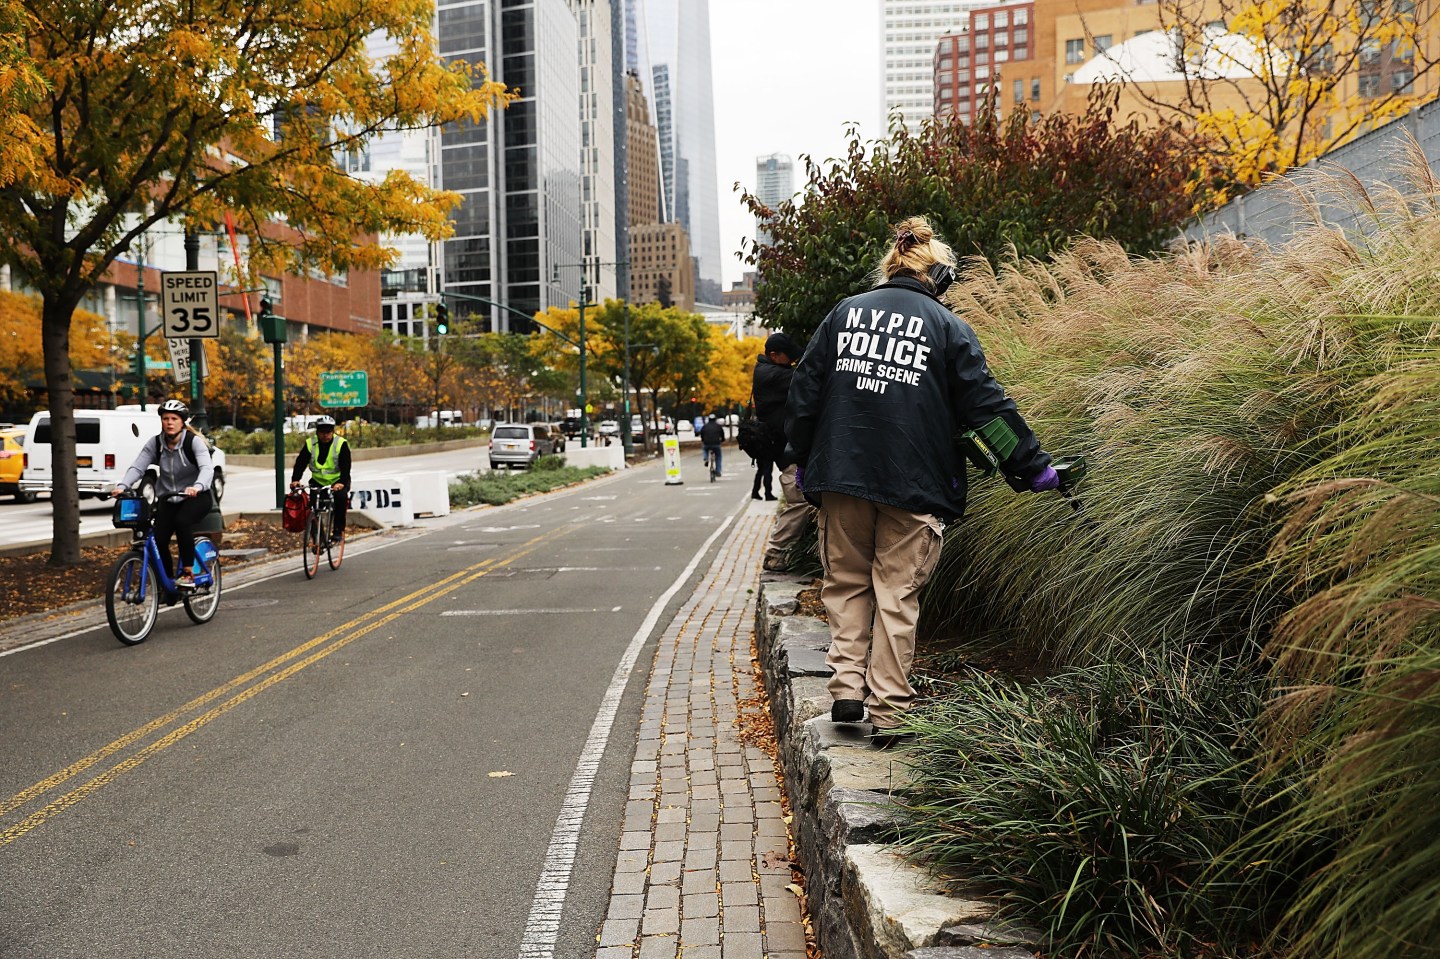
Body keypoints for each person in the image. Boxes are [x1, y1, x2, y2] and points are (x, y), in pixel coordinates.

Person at [786, 216, 1057, 747]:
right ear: (940, 277)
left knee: (845, 583)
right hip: (914, 482)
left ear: (890, 268)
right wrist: (1031, 466)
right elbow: (988, 408)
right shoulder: (949, 327)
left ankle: (846, 689)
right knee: (896, 594)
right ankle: (889, 711)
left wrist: (800, 455)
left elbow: (805, 389)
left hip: (842, 474)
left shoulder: (844, 313)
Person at [111, 399, 215, 589]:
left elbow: (207, 469)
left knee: (182, 522)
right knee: (158, 538)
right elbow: (138, 467)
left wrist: (197, 486)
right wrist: (123, 485)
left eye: (174, 419)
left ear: (182, 422)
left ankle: (188, 572)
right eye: (165, 418)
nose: (169, 423)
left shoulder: (193, 442)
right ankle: (166, 581)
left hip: (196, 496)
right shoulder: (156, 443)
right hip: (168, 498)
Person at [752, 331, 814, 570]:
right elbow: (807, 377)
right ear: (774, 355)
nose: (792, 361)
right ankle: (775, 553)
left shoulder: (770, 370)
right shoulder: (771, 374)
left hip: (787, 449)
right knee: (799, 502)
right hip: (787, 453)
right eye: (789, 357)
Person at [290, 415, 352, 541]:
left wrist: (341, 482)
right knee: (310, 507)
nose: (325, 435)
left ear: (332, 431)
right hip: (317, 482)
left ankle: (338, 531)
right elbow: (301, 462)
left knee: (340, 499)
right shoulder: (310, 444)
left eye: (328, 432)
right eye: (322, 432)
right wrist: (295, 479)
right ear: (317, 432)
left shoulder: (341, 443)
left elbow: (346, 465)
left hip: (337, 481)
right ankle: (317, 537)